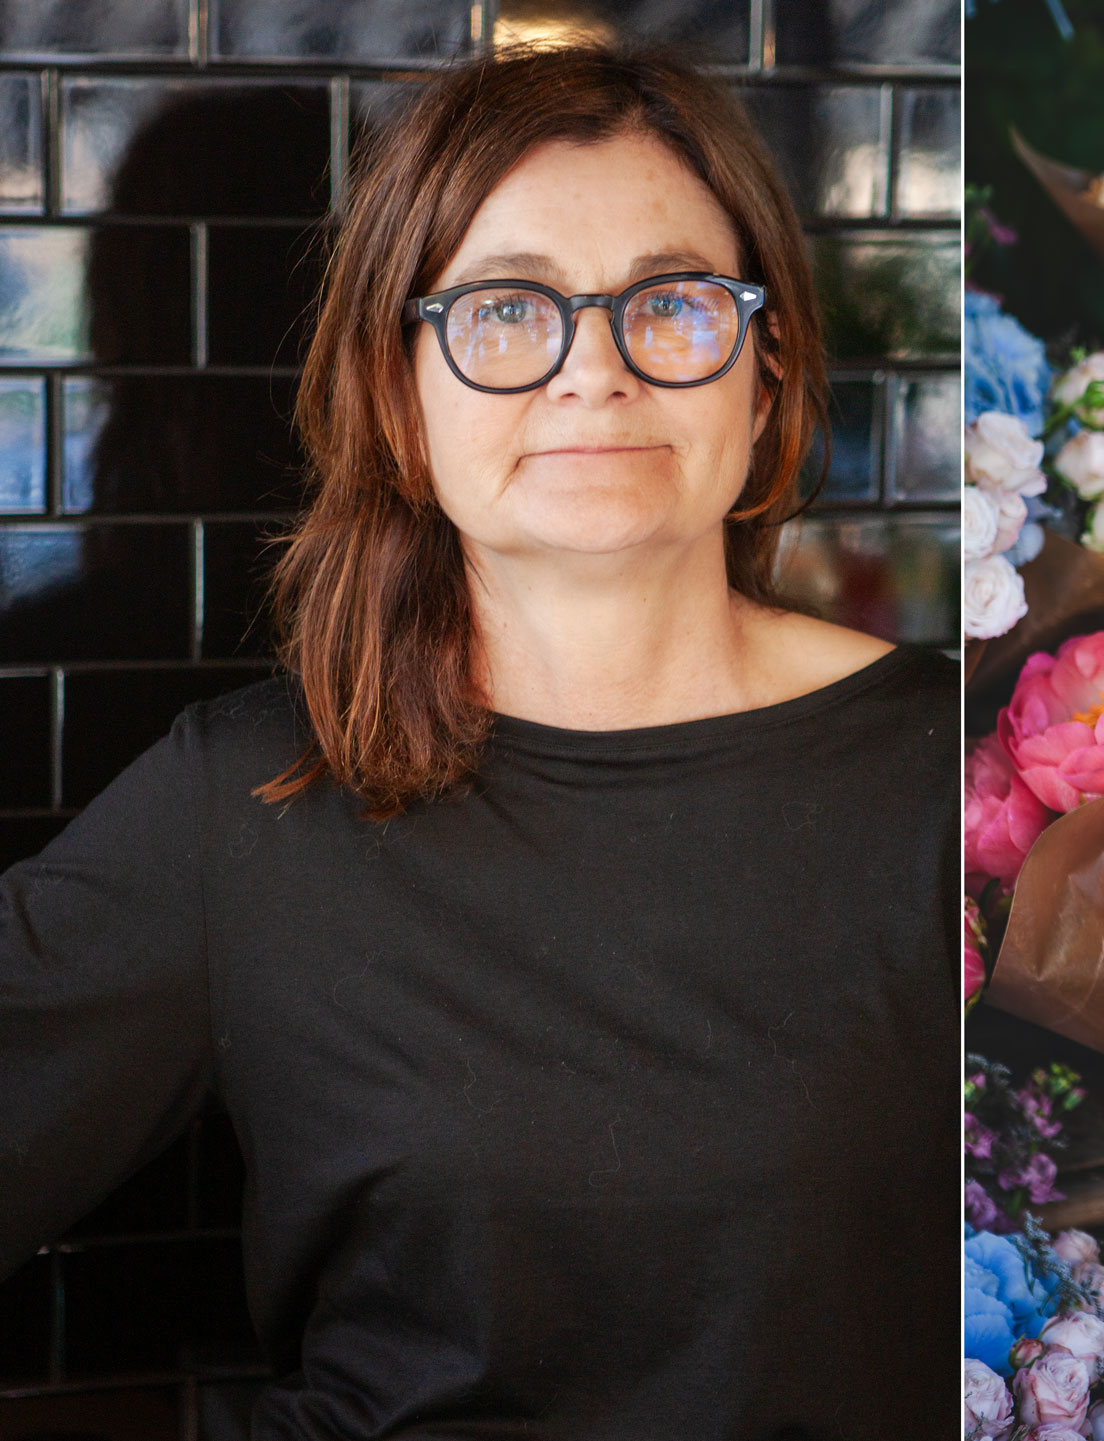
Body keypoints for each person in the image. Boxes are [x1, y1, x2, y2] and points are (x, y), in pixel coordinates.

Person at [0, 44, 955, 1439]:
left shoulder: (945, 771)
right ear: (399, 396)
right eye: (505, 312)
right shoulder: (249, 802)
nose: (593, 373)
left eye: (671, 303)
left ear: (764, 373)